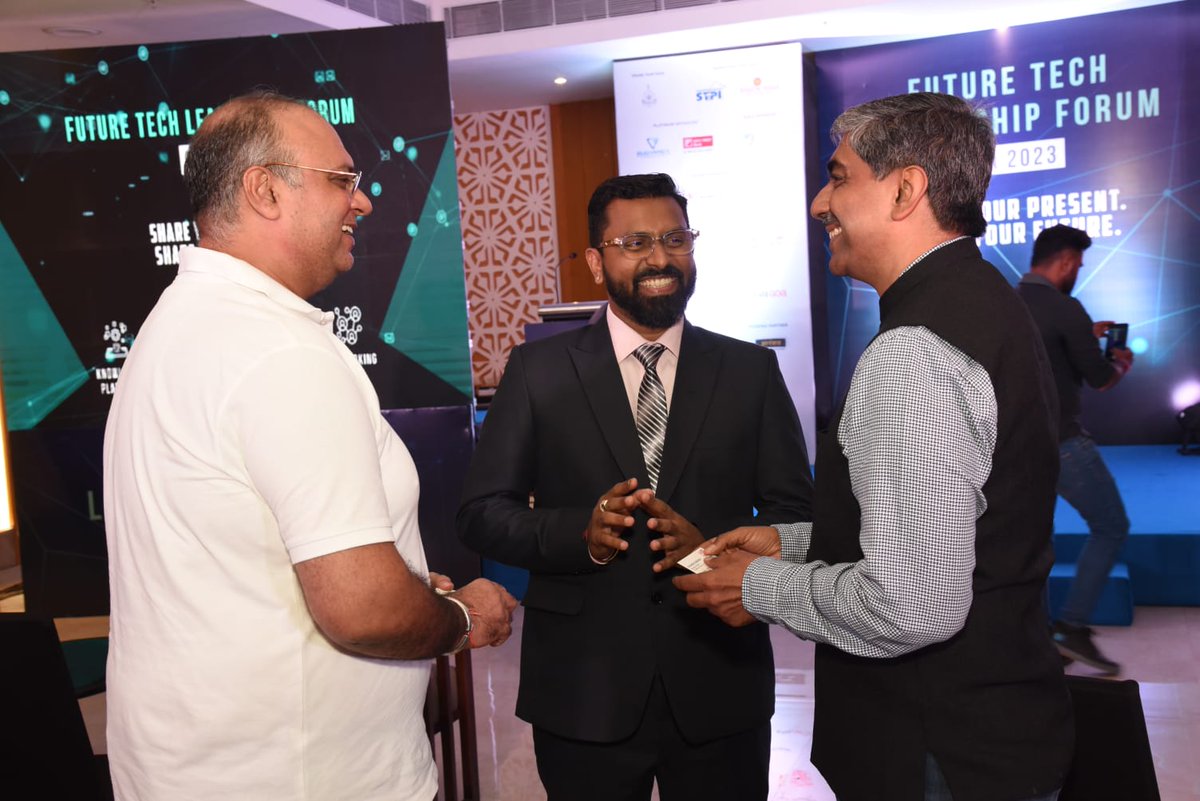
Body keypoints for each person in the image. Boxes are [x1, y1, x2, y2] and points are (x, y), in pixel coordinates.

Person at [103, 91, 516, 801]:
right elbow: (361, 608)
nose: (363, 201)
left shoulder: (180, 321)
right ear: (265, 190)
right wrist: (461, 617)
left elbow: (244, 550)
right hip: (304, 778)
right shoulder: (278, 350)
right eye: (341, 180)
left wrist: (405, 586)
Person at [673, 93, 1073, 801]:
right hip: (995, 730)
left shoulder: (913, 352)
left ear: (904, 190)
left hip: (940, 750)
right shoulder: (984, 298)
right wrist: (794, 543)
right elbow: (951, 530)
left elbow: (913, 604)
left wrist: (756, 585)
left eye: (839, 177)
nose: (819, 203)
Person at [457, 173, 813, 801]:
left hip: (720, 686)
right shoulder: (538, 372)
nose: (659, 258)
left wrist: (713, 549)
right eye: (635, 243)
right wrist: (582, 534)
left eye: (675, 239)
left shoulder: (749, 371)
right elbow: (482, 512)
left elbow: (797, 514)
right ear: (597, 261)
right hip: (582, 690)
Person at [1018, 223, 1134, 675]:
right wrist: (1120, 365)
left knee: (1035, 542)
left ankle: (1036, 639)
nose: (1077, 272)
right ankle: (1071, 627)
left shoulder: (1009, 302)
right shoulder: (1066, 308)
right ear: (1066, 261)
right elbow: (1100, 378)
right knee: (1111, 527)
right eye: (1078, 265)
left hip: (1019, 447)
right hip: (1063, 443)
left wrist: (1084, 331)